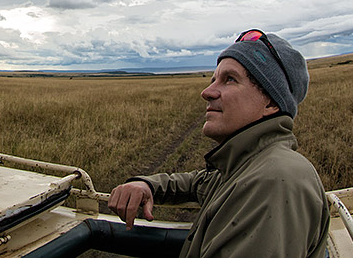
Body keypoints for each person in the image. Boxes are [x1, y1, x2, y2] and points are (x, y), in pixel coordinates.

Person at [108, 29, 330, 258]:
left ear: (271, 102)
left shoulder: (273, 182)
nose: (207, 92)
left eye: (230, 79)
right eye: (214, 79)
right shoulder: (247, 163)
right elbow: (200, 182)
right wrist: (147, 185)